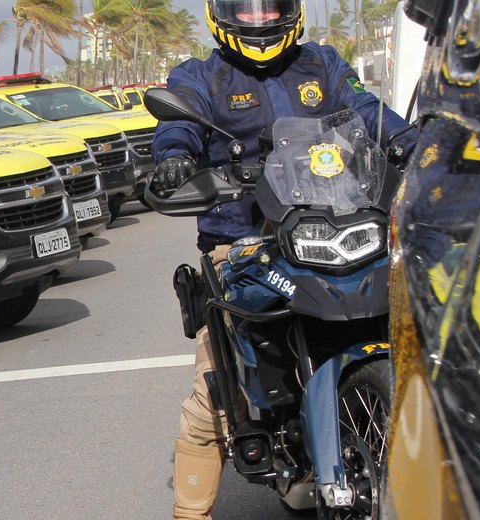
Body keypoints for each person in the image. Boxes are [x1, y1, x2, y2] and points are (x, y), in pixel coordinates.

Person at [150, 1, 418, 518]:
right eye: (245, 9)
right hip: (248, 243)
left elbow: (368, 113)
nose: (258, 19)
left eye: (269, 6)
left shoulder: (322, 64)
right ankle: (189, 514)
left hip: (340, 226)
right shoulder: (201, 77)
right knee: (213, 400)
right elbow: (177, 122)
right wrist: (174, 158)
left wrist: (412, 143)